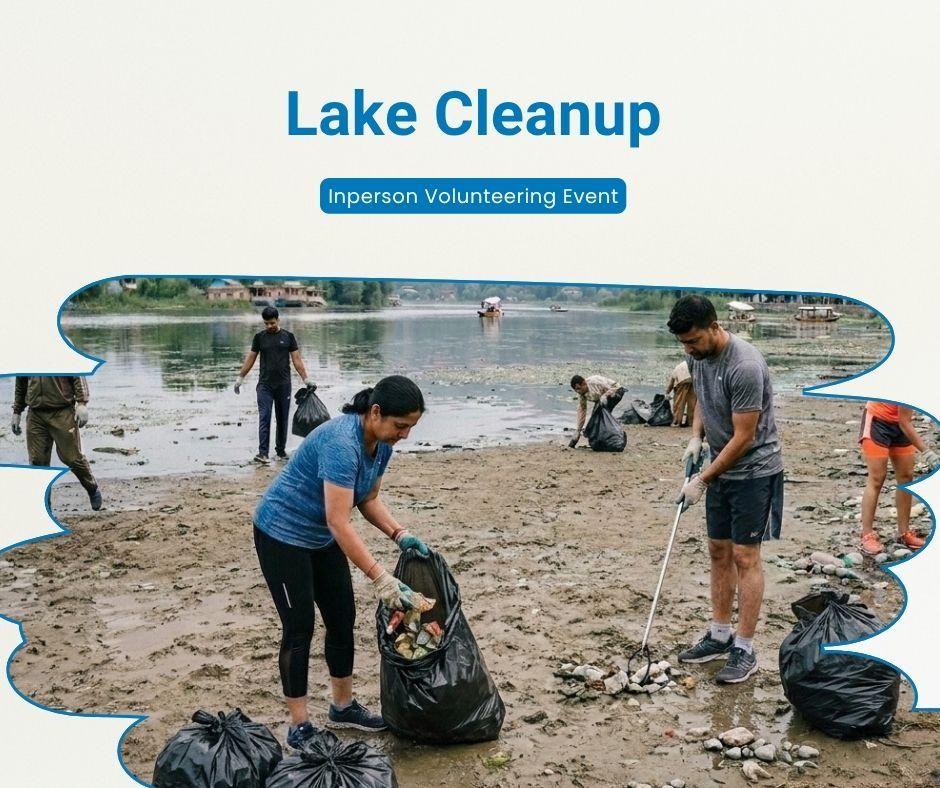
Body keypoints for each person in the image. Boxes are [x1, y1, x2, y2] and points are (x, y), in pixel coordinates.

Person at [252, 375, 431, 749]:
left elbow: (366, 499)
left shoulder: (380, 444)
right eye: (401, 426)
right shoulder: (340, 443)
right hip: (282, 535)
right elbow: (339, 520)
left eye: (411, 427)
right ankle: (299, 725)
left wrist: (400, 534)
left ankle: (343, 707)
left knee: (341, 618)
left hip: (321, 536)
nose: (405, 435)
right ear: (376, 412)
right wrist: (380, 577)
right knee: (299, 628)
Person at [668, 295, 783, 684]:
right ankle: (719, 636)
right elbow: (702, 395)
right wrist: (696, 438)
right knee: (718, 549)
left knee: (745, 556)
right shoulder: (698, 359)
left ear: (715, 327)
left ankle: (744, 649)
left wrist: (702, 479)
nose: (689, 349)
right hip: (720, 470)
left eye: (694, 340)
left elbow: (744, 438)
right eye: (683, 343)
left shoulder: (745, 365)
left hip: (753, 472)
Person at [858, 401, 939, 555]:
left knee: (906, 477)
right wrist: (928, 453)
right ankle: (866, 535)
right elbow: (905, 422)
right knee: (877, 478)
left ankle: (904, 533)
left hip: (901, 425)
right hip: (877, 421)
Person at [234, 306, 314, 464]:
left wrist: (306, 379)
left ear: (278, 320)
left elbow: (296, 360)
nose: (269, 326)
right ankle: (262, 453)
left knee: (282, 418)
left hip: (284, 385)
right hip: (265, 385)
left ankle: (281, 452)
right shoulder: (259, 338)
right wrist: (240, 378)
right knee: (265, 417)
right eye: (266, 323)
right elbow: (251, 358)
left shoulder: (288, 337)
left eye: (271, 323)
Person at [11, 376, 102, 510]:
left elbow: (78, 374)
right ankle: (44, 507)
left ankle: (92, 488)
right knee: (37, 462)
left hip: (62, 412)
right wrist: (17, 411)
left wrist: (82, 403)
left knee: (71, 458)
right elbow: (21, 383)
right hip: (36, 415)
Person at [568, 374, 625, 448]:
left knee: (600, 416)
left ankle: (610, 437)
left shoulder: (595, 382)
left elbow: (615, 388)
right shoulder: (581, 393)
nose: (578, 391)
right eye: (576, 390)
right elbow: (582, 410)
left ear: (584, 383)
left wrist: (605, 395)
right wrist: (578, 430)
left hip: (615, 392)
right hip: (601, 398)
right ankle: (599, 439)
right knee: (595, 418)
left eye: (579, 388)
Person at [665, 359, 696, 428]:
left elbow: (671, 383)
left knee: (679, 403)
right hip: (693, 380)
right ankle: (690, 422)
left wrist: (667, 392)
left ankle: (677, 422)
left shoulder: (676, 369)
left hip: (682, 381)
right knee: (692, 403)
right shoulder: (688, 363)